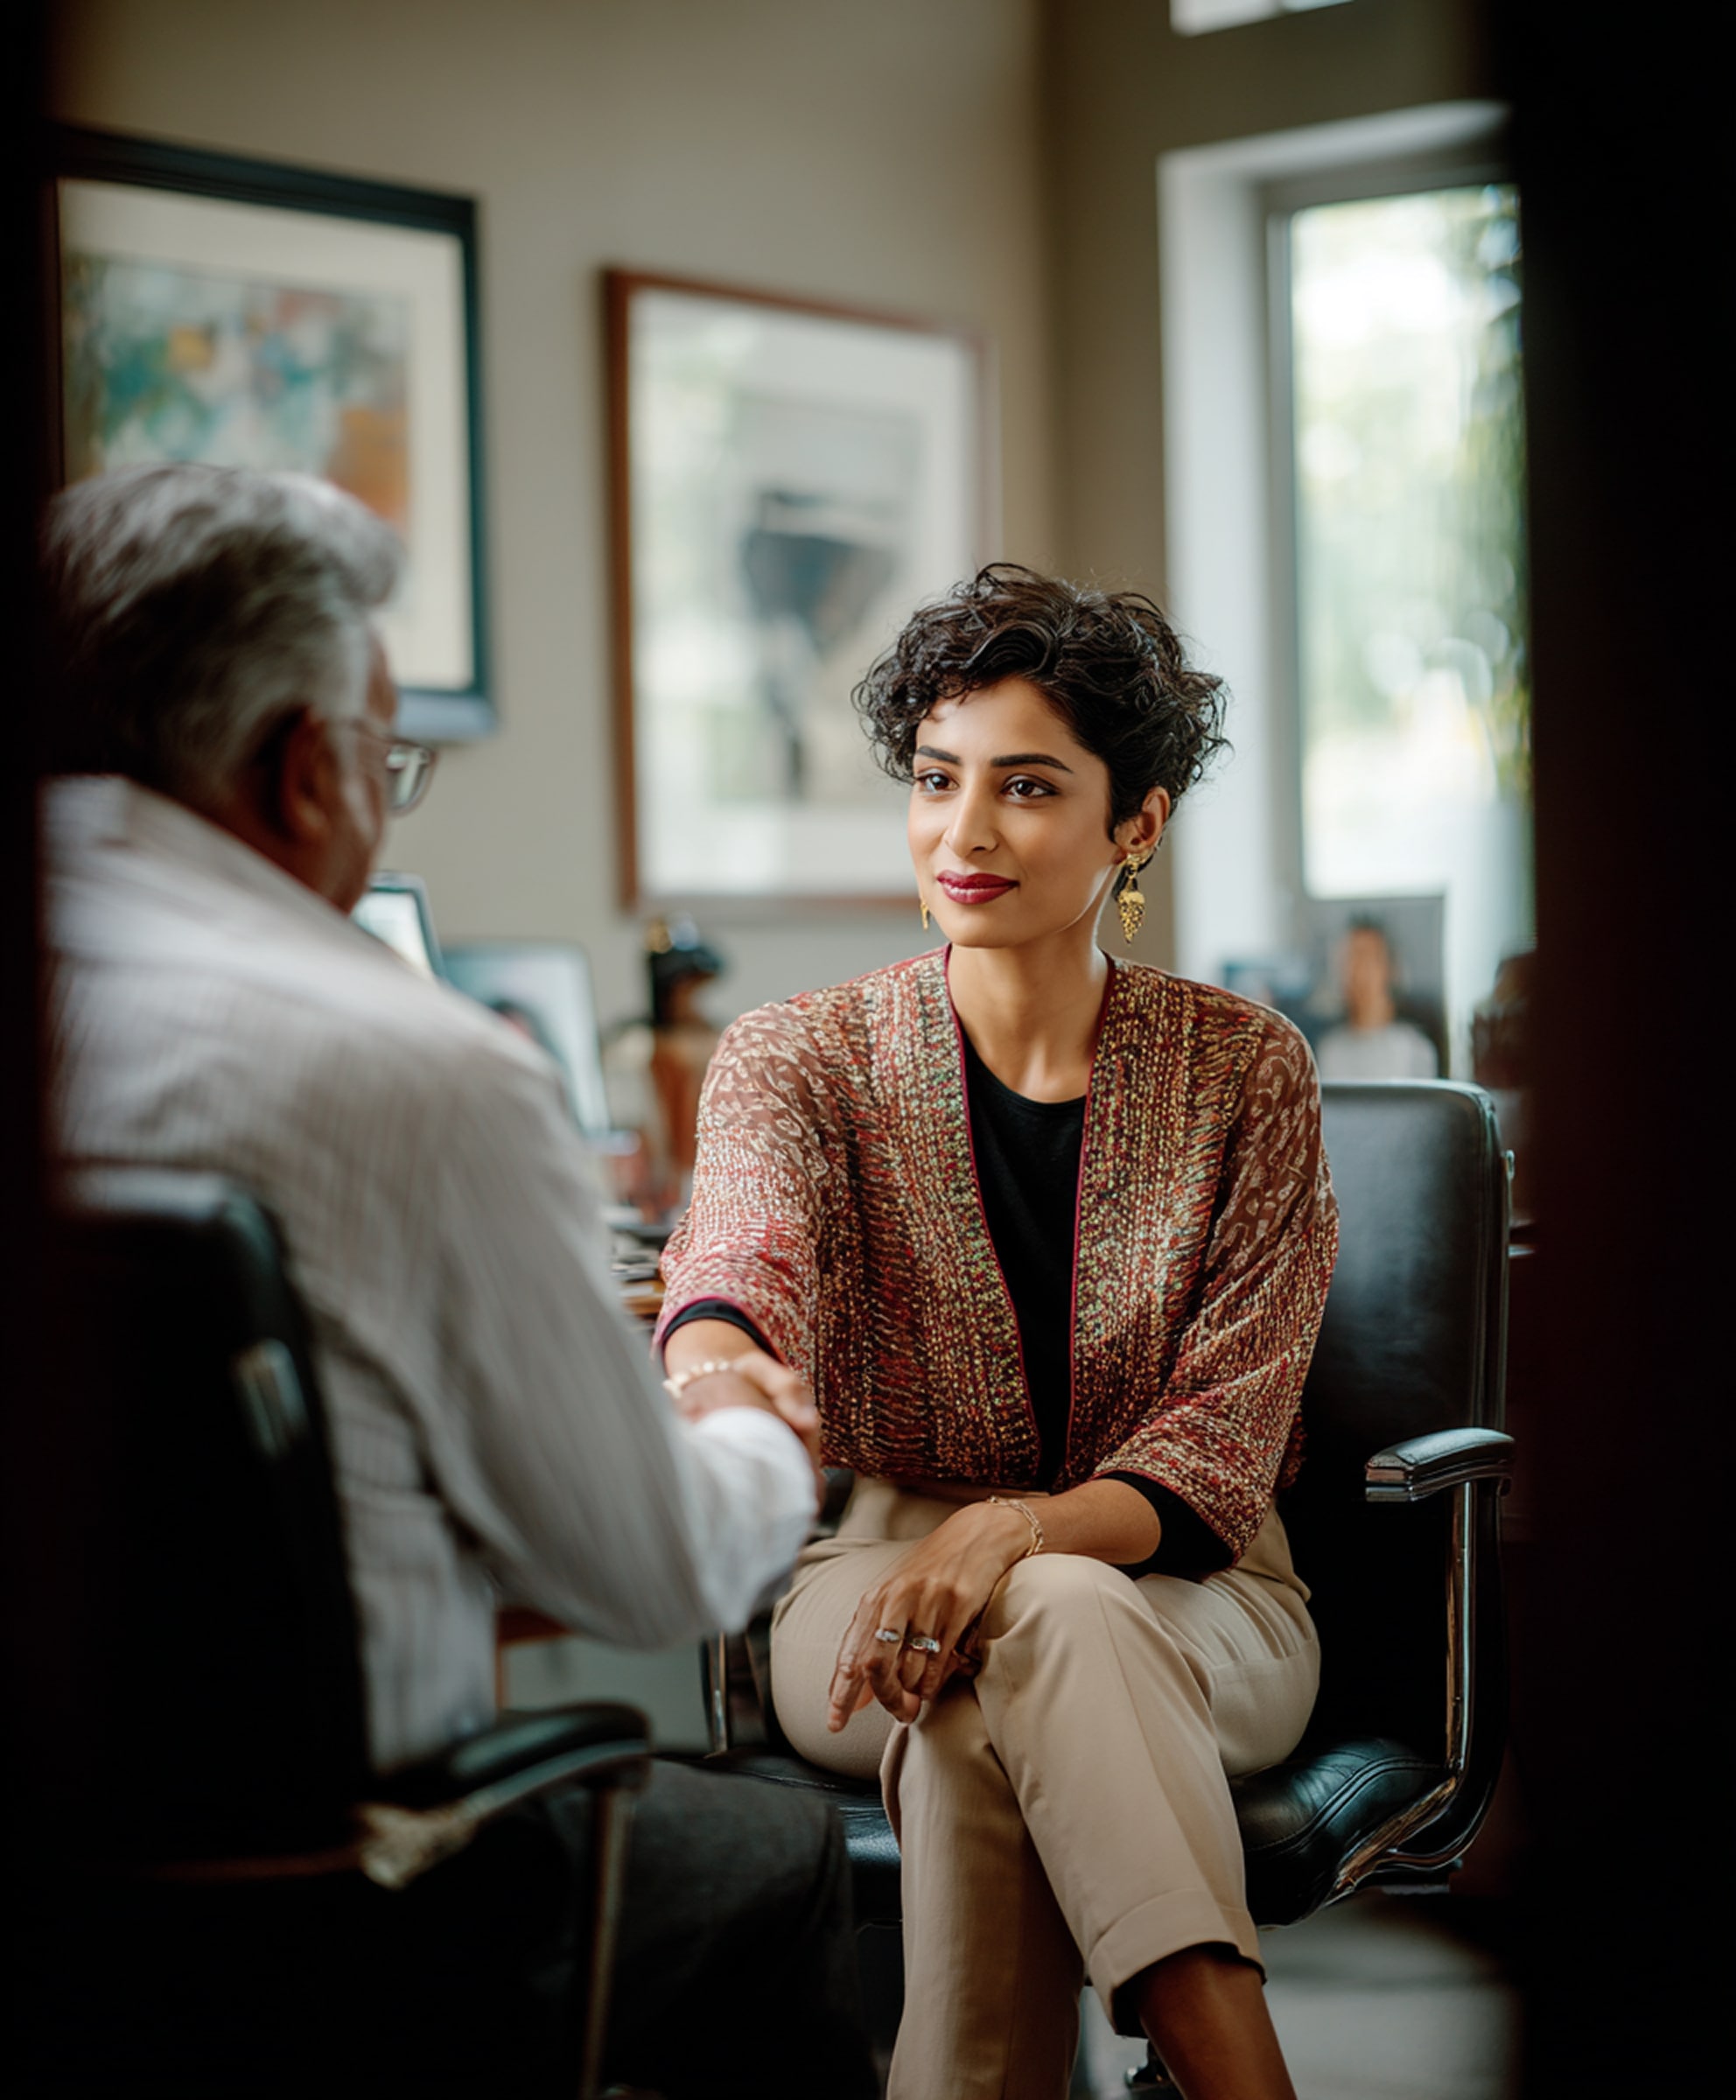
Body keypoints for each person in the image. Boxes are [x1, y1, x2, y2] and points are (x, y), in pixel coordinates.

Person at [39, 462, 874, 2099]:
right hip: (319, 1923)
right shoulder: (412, 1077)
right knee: (773, 1860)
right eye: (389, 763)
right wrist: (769, 1435)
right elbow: (652, 1573)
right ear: (306, 772)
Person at [658, 565, 1340, 2100]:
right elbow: (737, 1257)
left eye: (1026, 789)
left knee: (1023, 1656)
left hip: (1200, 1594)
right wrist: (714, 1360)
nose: (962, 835)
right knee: (1036, 1628)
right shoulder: (797, 1059)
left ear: (1134, 826)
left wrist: (1016, 1536)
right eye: (933, 781)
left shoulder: (1247, 1071)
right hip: (877, 1574)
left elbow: (1222, 1436)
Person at [1313, 917, 1439, 1080]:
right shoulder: (1329, 1051)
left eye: (1365, 957)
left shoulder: (1415, 1049)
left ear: (1391, 968)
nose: (1355, 970)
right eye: (1348, 959)